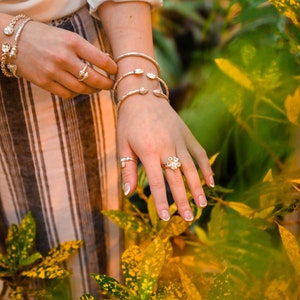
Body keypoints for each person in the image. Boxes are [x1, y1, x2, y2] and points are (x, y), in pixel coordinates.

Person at [0, 0, 214, 298]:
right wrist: (7, 37)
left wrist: (140, 87)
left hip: (60, 72)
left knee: (80, 280)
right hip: (39, 53)